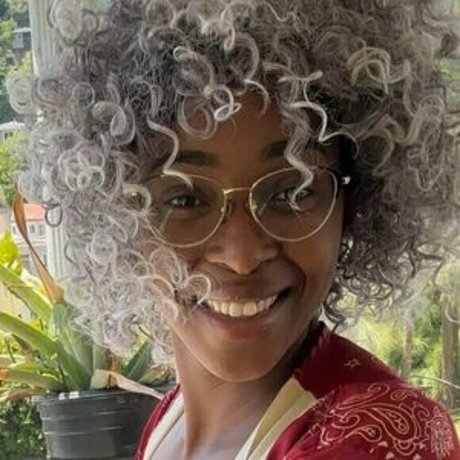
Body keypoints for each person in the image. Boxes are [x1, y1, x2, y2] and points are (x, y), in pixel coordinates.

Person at [8, 0, 460, 458]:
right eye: (185, 199)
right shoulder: (171, 421)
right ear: (119, 221)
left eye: (292, 192)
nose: (242, 255)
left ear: (354, 206)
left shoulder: (374, 437)